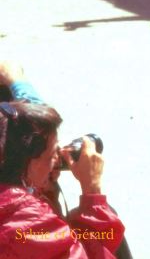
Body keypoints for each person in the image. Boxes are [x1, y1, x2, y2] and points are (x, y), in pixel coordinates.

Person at [0, 100, 125, 258]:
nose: (57, 162)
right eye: (52, 155)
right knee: (106, 215)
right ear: (27, 166)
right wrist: (93, 192)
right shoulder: (27, 220)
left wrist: (41, 193)